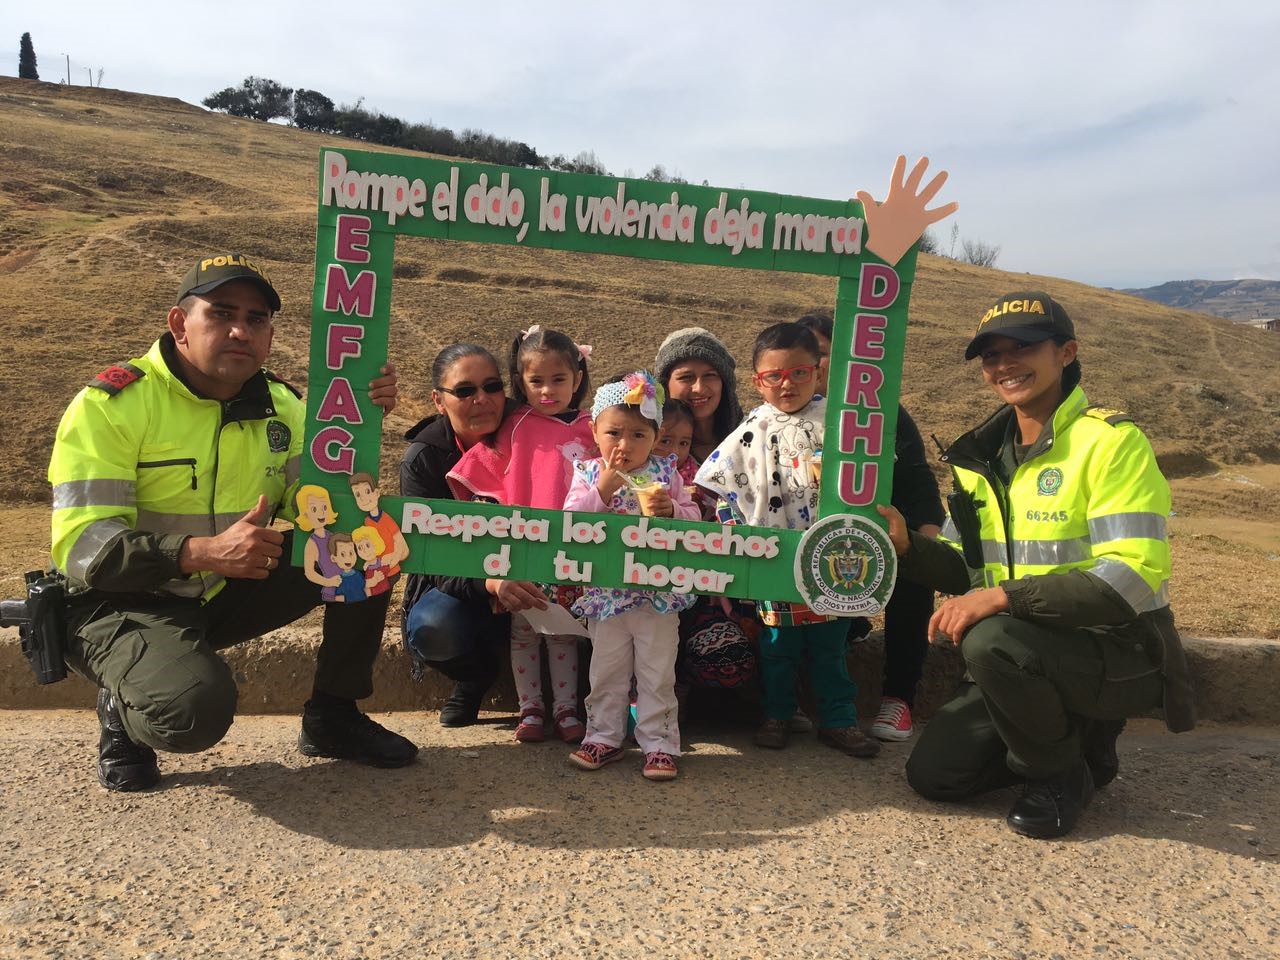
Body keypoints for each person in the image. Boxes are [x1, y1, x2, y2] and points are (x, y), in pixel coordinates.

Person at [48, 254, 417, 792]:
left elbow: (323, 512)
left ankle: (333, 717)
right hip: (124, 598)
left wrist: (358, 418)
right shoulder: (111, 406)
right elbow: (83, 546)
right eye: (221, 314)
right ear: (180, 324)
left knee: (366, 547)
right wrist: (198, 551)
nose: (241, 330)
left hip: (225, 586)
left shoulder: (284, 407)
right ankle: (123, 700)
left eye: (257, 318)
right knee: (191, 712)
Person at [879, 290, 1194, 839]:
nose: (1005, 365)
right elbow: (966, 569)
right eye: (991, 355)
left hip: (1116, 647)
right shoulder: (979, 458)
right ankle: (1083, 746)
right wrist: (908, 546)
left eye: (1023, 347)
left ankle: (1059, 773)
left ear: (1066, 352)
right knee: (934, 777)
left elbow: (1134, 574)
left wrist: (1004, 597)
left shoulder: (1110, 443)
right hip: (1025, 647)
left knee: (989, 637)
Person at [696, 323, 881, 760]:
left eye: (799, 373)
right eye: (773, 376)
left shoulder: (838, 422)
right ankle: (777, 713)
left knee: (830, 648)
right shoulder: (752, 428)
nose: (786, 385)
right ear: (758, 380)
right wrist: (735, 531)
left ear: (817, 372)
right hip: (773, 556)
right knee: (777, 646)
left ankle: (840, 720)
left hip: (832, 557)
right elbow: (722, 485)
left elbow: (869, 475)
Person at [793, 313, 945, 741]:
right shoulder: (777, 415)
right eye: (803, 359)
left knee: (912, 560)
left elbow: (917, 482)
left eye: (820, 355)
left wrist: (925, 548)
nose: (812, 367)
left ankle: (899, 697)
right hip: (805, 545)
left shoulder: (880, 409)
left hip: (870, 543)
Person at [446, 325, 594, 744]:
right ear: (521, 382)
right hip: (522, 546)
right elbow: (481, 472)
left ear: (578, 379)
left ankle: (566, 709)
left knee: (562, 629)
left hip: (574, 548)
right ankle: (530, 708)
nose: (547, 390)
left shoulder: (593, 427)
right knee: (524, 630)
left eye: (559, 379)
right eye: (536, 381)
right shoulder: (516, 426)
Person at [399, 344, 550, 726]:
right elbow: (430, 555)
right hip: (467, 585)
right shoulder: (425, 460)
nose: (482, 399)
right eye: (465, 391)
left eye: (492, 386)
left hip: (544, 571)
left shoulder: (534, 432)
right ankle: (475, 677)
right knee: (434, 627)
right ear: (438, 399)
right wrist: (491, 582)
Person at [564, 371, 701, 781]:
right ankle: (603, 736)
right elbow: (570, 522)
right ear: (594, 430)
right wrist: (603, 489)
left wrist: (673, 512)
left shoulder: (666, 474)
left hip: (657, 596)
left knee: (658, 673)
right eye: (614, 433)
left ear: (656, 436)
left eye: (639, 435)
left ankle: (659, 744)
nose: (625, 446)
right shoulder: (587, 473)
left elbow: (696, 520)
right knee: (606, 672)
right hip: (606, 596)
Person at [654, 328, 757, 703]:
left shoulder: (752, 438)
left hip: (732, 583)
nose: (699, 387)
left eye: (710, 375)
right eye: (685, 377)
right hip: (660, 577)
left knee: (726, 660)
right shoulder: (641, 443)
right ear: (665, 384)